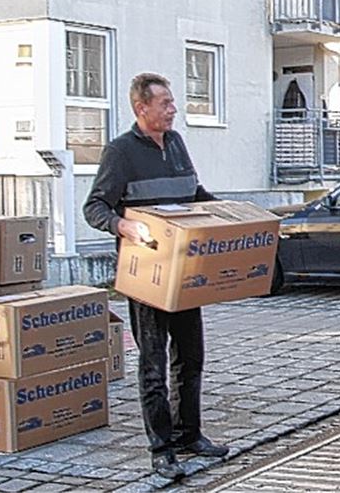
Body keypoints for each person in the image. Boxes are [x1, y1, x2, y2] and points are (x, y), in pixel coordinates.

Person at [83, 73, 228, 481]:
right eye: (164, 103)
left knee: (191, 357)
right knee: (153, 364)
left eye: (172, 102)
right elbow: (94, 207)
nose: (173, 109)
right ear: (141, 108)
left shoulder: (176, 143)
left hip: (184, 272)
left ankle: (189, 435)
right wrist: (122, 225)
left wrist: (231, 213)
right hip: (147, 275)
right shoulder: (120, 152)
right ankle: (161, 450)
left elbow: (194, 194)